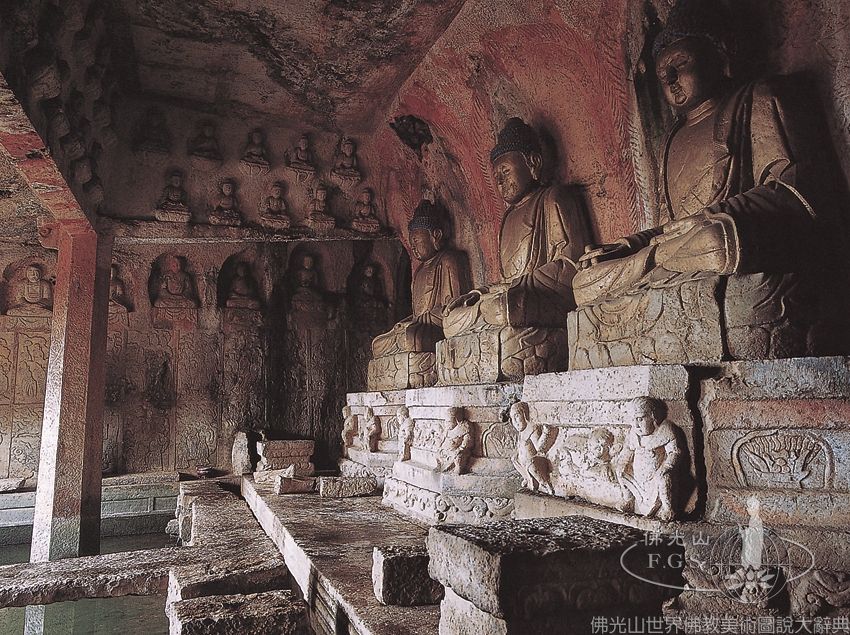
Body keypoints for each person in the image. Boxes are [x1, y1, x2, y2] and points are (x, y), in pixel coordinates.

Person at [442, 117, 590, 336]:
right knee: (453, 318)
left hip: (543, 296)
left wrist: (519, 285)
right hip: (514, 295)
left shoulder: (554, 198)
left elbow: (571, 266)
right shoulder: (508, 218)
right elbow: (505, 281)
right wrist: (482, 292)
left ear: (533, 163)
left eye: (505, 171)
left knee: (506, 305)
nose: (500, 182)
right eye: (497, 176)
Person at [371, 201, 470, 357]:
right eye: (411, 243)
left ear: (435, 235)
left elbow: (455, 307)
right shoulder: (418, 272)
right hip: (420, 327)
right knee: (378, 344)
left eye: (416, 241)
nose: (413, 247)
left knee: (414, 337)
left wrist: (426, 319)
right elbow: (417, 315)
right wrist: (403, 325)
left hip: (437, 328)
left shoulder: (449, 260)